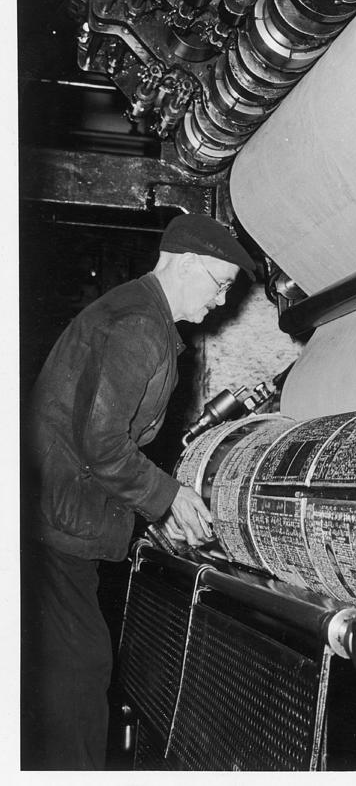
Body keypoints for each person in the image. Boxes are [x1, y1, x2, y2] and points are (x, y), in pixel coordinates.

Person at [21, 213, 256, 770]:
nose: (221, 303)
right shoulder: (140, 326)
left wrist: (154, 506)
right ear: (181, 263)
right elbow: (102, 444)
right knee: (80, 673)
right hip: (55, 523)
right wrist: (168, 498)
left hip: (51, 511)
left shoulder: (135, 311)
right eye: (219, 285)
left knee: (71, 667)